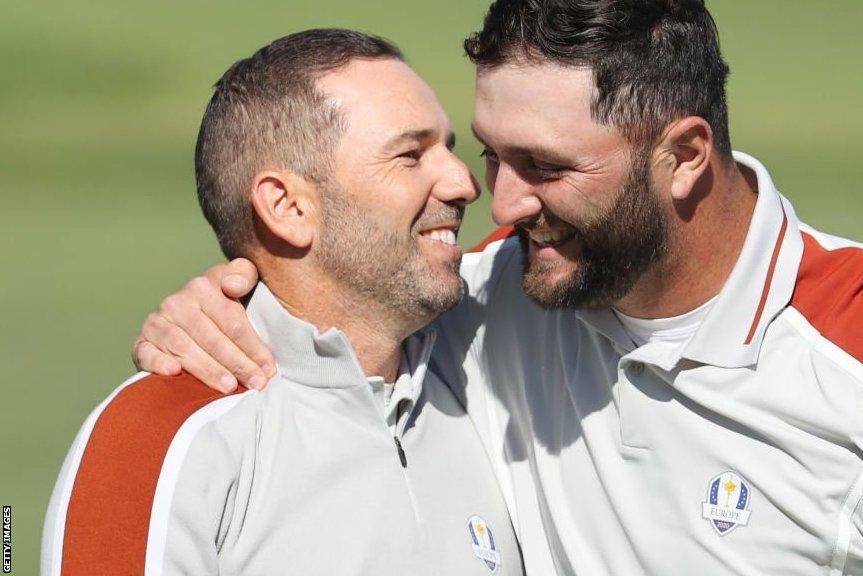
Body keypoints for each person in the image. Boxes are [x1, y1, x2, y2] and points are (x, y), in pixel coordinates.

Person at [133, 1, 863, 575]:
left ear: (682, 159)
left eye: (546, 168)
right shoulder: (485, 302)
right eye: (491, 152)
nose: (497, 199)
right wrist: (221, 305)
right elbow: (339, 309)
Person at [41, 29, 524, 576]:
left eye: (453, 150)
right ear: (288, 207)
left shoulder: (490, 369)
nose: (464, 183)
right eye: (410, 155)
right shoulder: (154, 438)